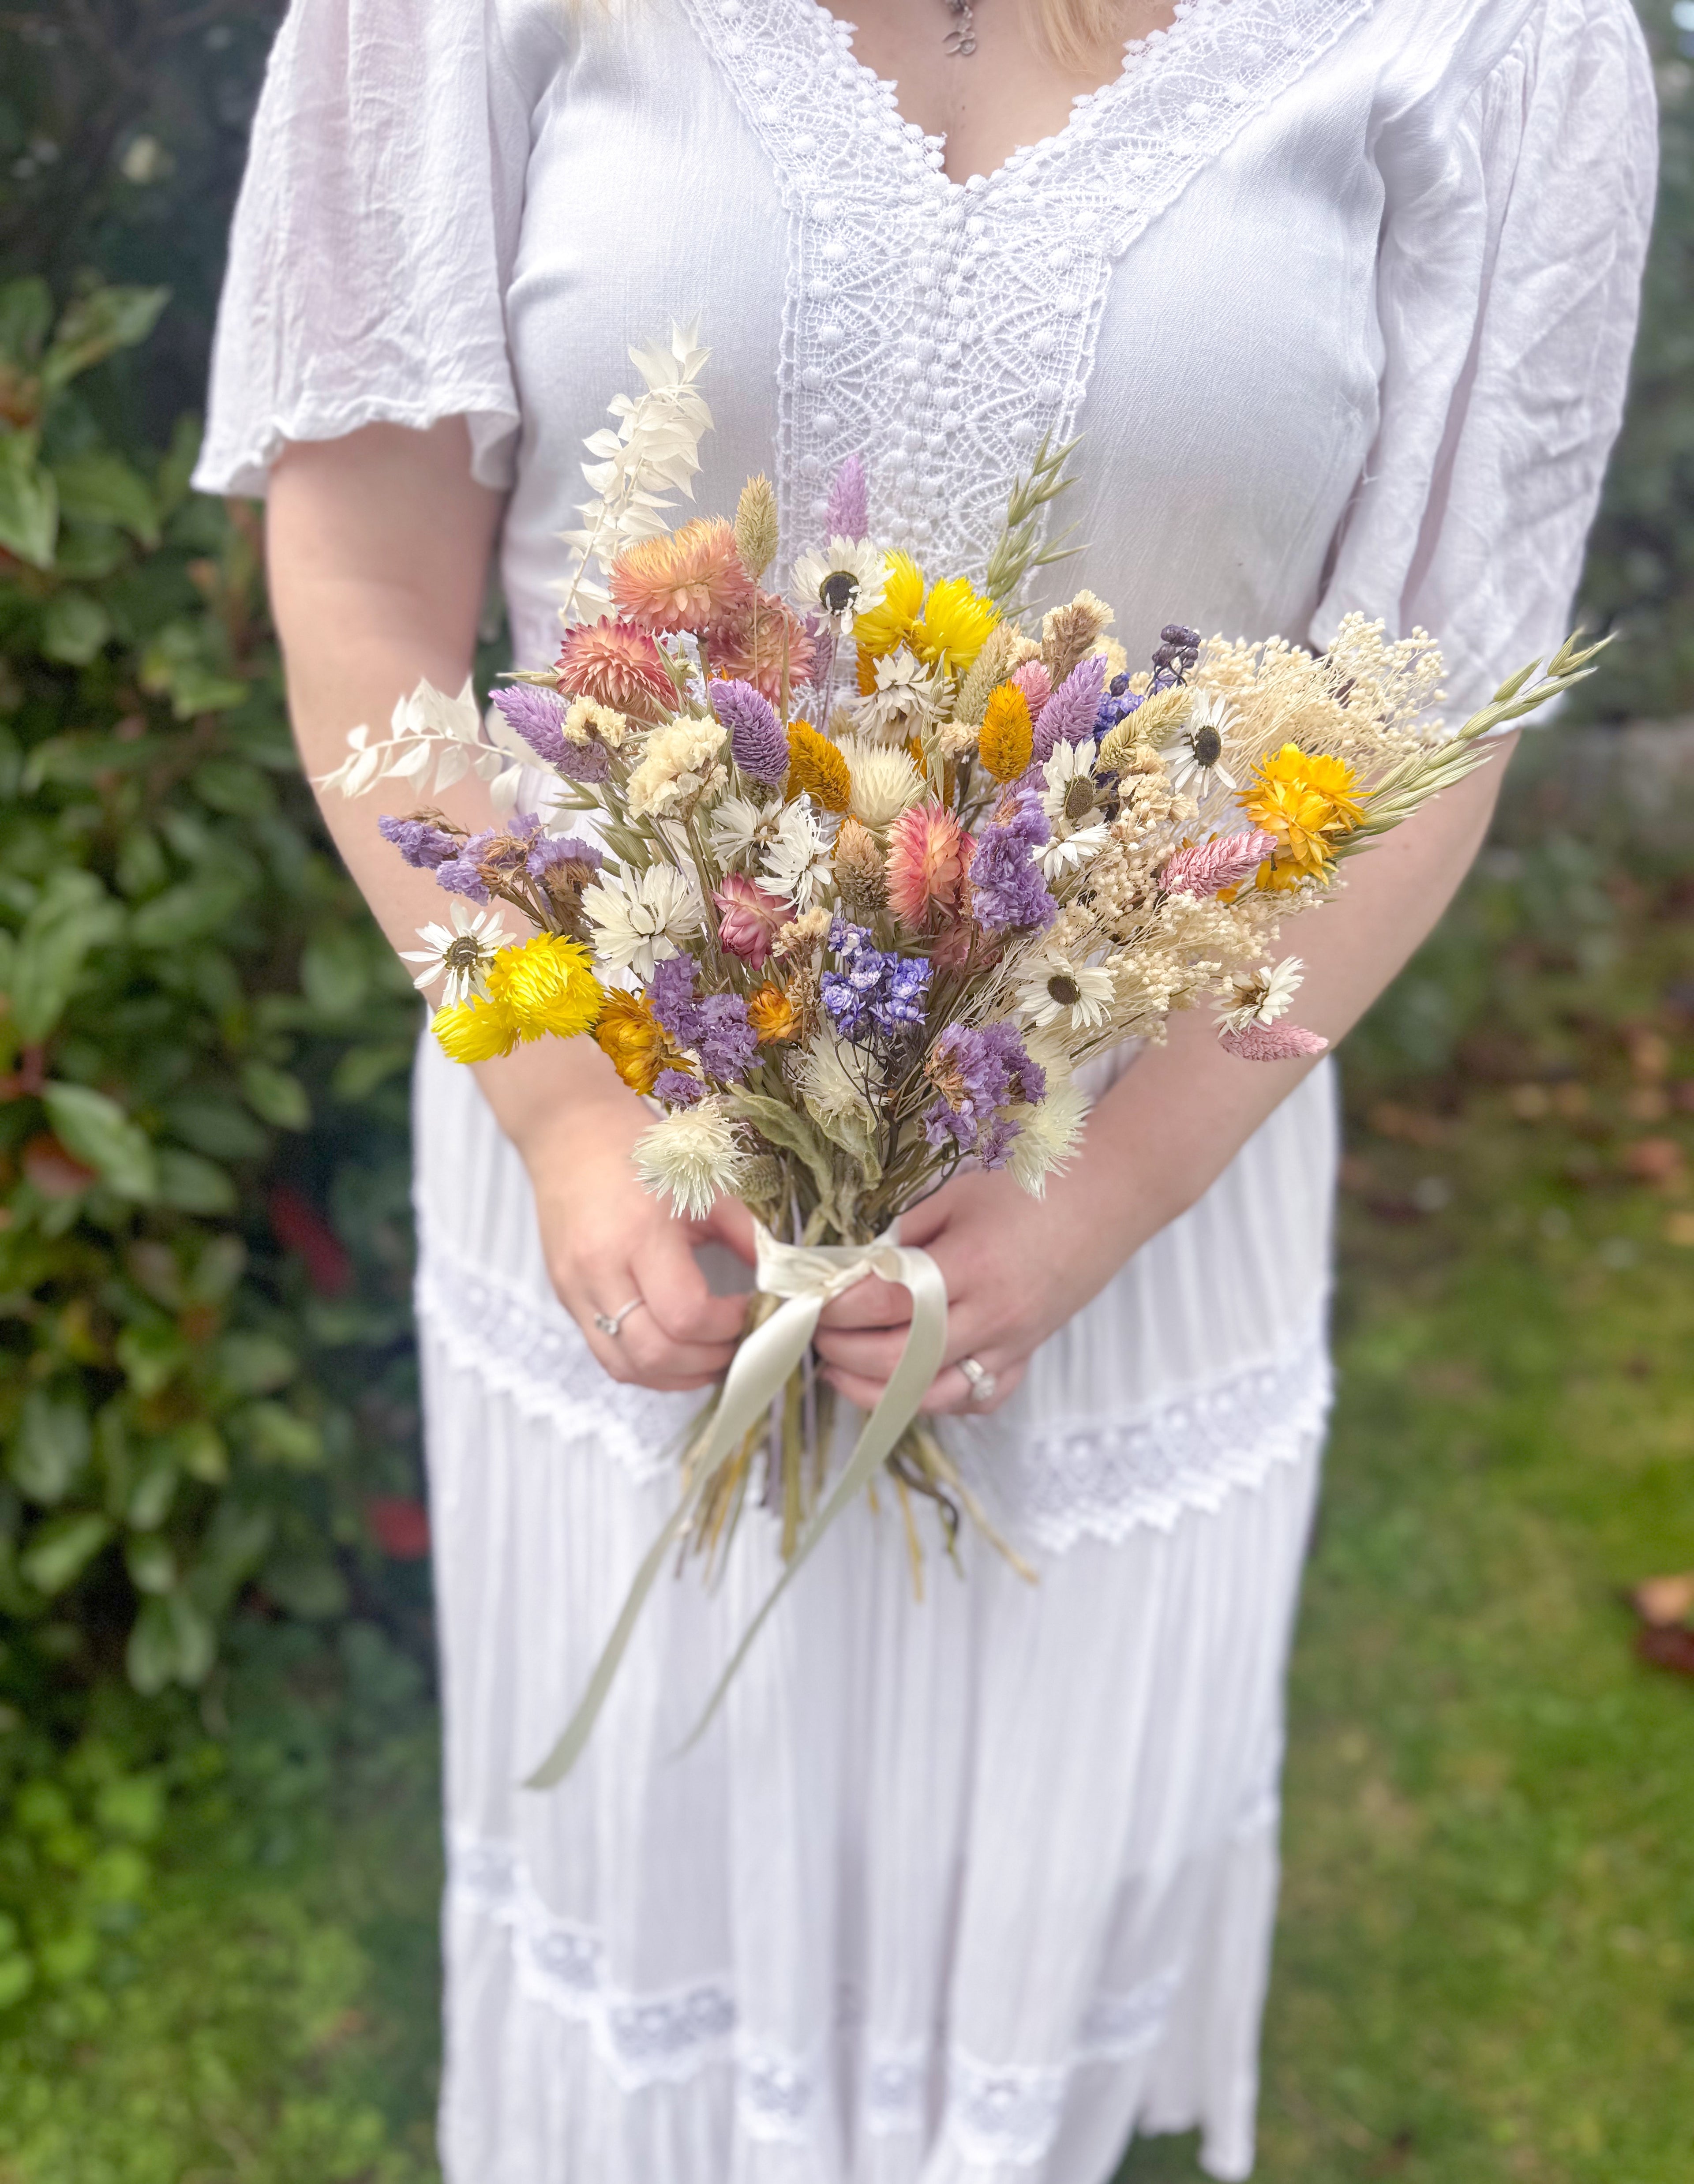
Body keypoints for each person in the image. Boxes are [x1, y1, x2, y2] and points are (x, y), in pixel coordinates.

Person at [195, 0, 1655, 2175]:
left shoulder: (1506, 39)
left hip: (1147, 1184)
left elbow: (1435, 696)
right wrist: (572, 1107)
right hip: (627, 1180)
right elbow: (368, 584)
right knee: (654, 1911)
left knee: (1026, 1978)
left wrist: (1107, 1191)